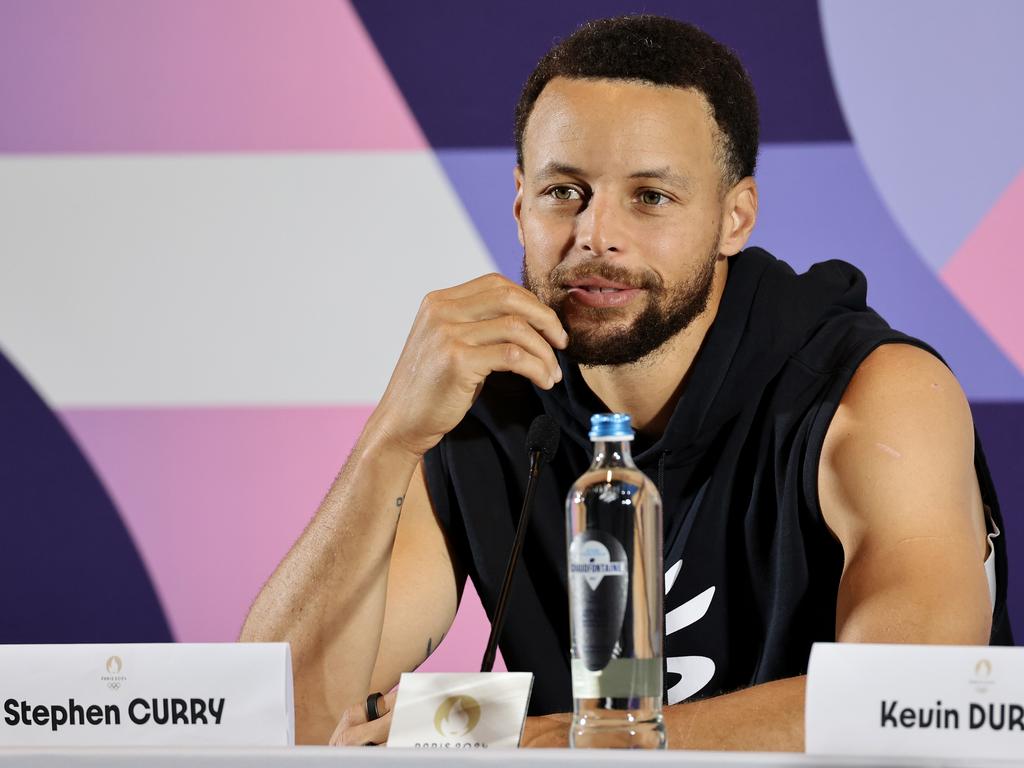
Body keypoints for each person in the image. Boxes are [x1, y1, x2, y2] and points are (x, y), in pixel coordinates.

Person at [240, 15, 1011, 750]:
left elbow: (914, 698)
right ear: (518, 204)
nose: (595, 235)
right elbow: (285, 720)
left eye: (650, 197)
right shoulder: (488, 403)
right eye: (562, 191)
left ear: (735, 217)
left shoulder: (871, 391)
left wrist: (575, 739)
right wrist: (393, 434)